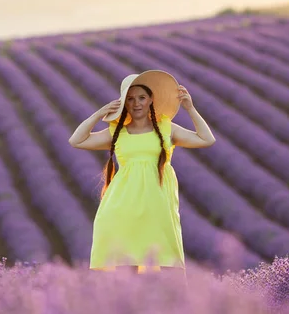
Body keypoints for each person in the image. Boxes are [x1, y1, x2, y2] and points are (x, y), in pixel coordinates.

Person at [69, 70, 216, 274]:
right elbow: (76, 140)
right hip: (122, 207)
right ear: (124, 104)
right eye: (130, 99)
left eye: (141, 98)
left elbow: (207, 139)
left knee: (166, 261)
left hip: (158, 205)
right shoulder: (116, 132)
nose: (136, 103)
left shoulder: (167, 128)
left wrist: (190, 109)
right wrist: (99, 113)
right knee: (126, 264)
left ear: (150, 101)